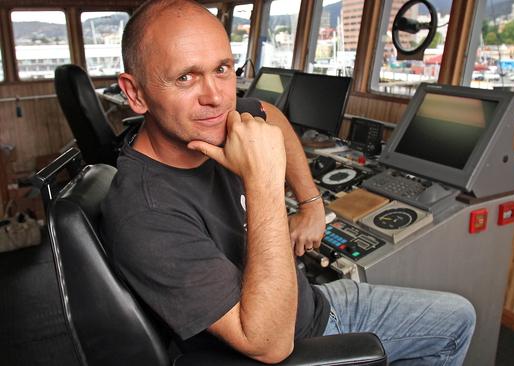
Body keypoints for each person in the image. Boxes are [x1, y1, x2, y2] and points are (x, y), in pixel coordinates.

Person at [100, 0, 476, 364]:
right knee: (457, 320)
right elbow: (269, 344)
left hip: (306, 297)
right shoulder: (145, 214)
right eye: (185, 77)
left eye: (222, 69)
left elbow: (270, 112)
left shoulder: (220, 123)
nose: (215, 97)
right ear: (135, 93)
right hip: (301, 334)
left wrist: (311, 202)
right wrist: (262, 180)